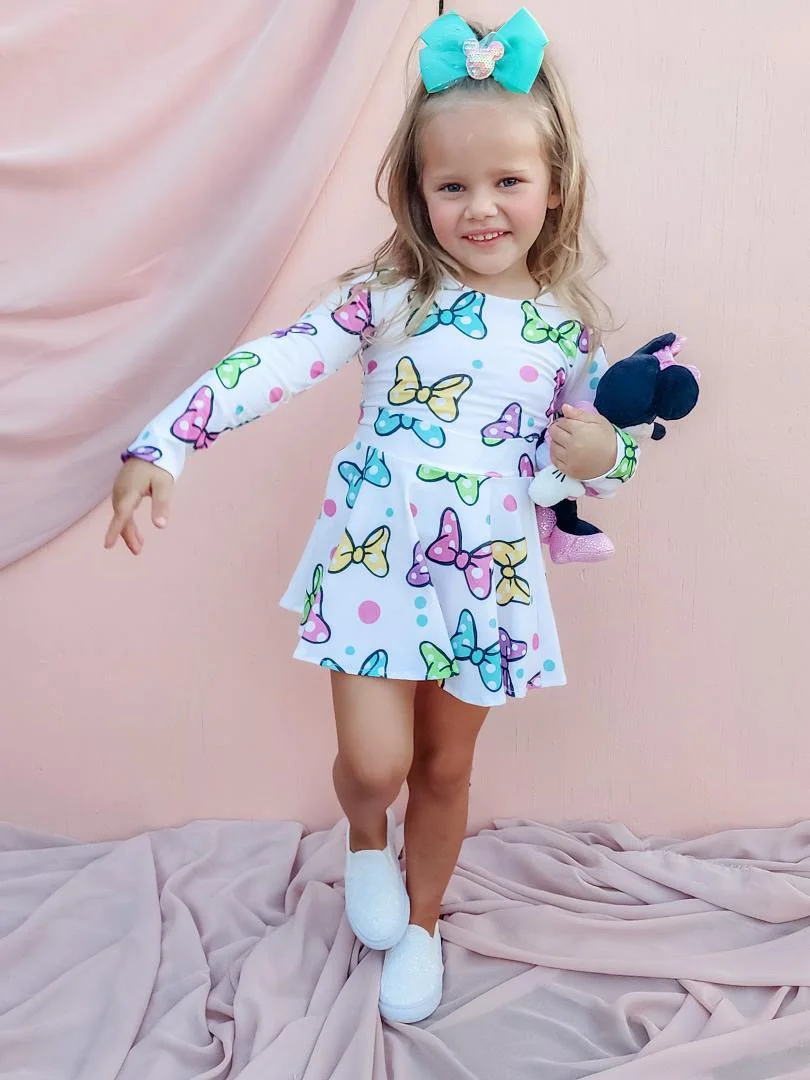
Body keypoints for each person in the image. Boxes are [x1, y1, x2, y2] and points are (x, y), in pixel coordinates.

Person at [104, 7, 640, 1024]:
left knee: (445, 765)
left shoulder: (567, 332)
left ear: (555, 185)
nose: (481, 208)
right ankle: (362, 838)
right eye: (453, 186)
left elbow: (604, 459)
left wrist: (602, 454)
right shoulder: (390, 295)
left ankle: (424, 925)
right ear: (418, 193)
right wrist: (164, 441)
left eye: (508, 181)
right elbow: (276, 361)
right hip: (375, 561)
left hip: (488, 579)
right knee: (377, 761)